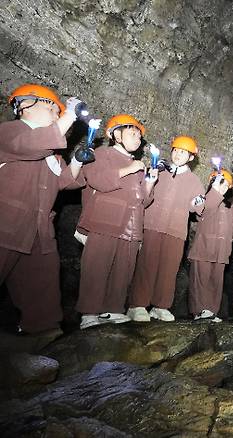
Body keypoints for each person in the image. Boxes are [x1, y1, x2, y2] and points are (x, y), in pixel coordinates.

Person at [0, 84, 85, 333]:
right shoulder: (8, 132)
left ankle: (40, 335)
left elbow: (64, 182)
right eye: (51, 106)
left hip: (39, 231)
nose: (56, 112)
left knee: (43, 288)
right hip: (6, 224)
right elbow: (30, 145)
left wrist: (78, 162)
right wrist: (70, 114)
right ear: (25, 105)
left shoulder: (53, 154)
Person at [76, 114, 158, 329]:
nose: (138, 138)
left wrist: (149, 183)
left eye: (139, 136)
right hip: (106, 220)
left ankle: (113, 309)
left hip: (132, 225)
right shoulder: (102, 153)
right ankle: (90, 312)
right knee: (97, 266)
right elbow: (97, 180)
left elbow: (144, 200)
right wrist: (128, 170)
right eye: (132, 133)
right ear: (116, 135)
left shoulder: (137, 164)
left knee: (124, 269)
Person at [128, 136, 205, 322]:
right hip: (153, 225)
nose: (178, 155)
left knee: (169, 269)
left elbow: (199, 207)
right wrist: (150, 178)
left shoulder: (194, 181)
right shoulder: (159, 170)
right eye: (176, 150)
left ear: (191, 158)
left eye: (184, 152)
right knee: (147, 264)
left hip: (176, 231)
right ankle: (137, 305)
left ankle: (161, 306)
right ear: (171, 151)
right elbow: (144, 194)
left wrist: (201, 199)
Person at [188, 169, 233, 322]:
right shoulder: (204, 198)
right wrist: (215, 190)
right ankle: (199, 310)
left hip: (221, 251)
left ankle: (211, 310)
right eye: (219, 183)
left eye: (225, 185)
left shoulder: (229, 207)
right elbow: (197, 208)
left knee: (216, 282)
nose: (222, 187)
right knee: (201, 280)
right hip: (203, 248)